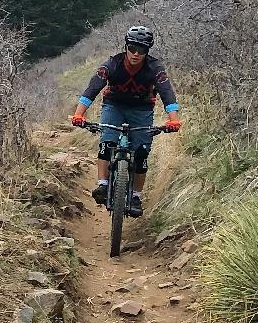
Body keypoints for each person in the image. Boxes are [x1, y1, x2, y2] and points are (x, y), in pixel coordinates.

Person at [72, 25, 181, 215]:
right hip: (114, 106)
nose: (136, 54)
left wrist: (173, 119)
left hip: (142, 109)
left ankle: (136, 196)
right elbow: (94, 86)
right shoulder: (113, 64)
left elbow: (166, 92)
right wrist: (79, 114)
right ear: (126, 46)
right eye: (132, 48)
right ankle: (103, 185)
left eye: (142, 50)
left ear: (147, 51)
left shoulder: (155, 68)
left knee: (141, 153)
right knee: (107, 142)